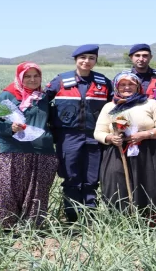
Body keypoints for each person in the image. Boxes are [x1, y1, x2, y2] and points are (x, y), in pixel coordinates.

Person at [45, 44, 113, 223]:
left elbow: (115, 106)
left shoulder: (104, 82)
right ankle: (72, 218)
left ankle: (90, 217)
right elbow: (41, 102)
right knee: (71, 176)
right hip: (68, 137)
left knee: (92, 178)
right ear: (76, 60)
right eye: (83, 58)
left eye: (91, 58)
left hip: (94, 136)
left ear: (95, 61)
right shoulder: (60, 81)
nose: (87, 61)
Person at [0, 62, 58, 232]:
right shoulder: (6, 97)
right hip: (10, 151)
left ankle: (32, 230)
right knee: (6, 191)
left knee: (37, 192)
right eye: (27, 76)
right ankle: (8, 230)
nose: (32, 80)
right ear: (20, 77)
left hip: (41, 152)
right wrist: (9, 129)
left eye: (36, 76)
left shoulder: (43, 98)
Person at [94, 72, 156, 212]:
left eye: (131, 84)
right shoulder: (109, 107)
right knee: (117, 185)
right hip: (118, 152)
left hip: (149, 152)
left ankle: (150, 220)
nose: (127, 87)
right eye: (122, 84)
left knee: (149, 184)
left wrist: (146, 134)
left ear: (138, 86)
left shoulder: (150, 103)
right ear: (116, 87)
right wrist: (111, 138)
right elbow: (98, 132)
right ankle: (121, 220)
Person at [128, 44, 156, 111]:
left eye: (145, 56)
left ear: (150, 57)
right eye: (137, 55)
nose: (141, 59)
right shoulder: (123, 77)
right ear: (131, 57)